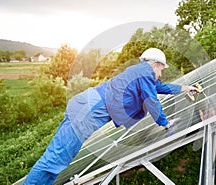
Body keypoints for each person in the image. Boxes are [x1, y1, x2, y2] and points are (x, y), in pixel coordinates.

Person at [23, 48, 199, 184]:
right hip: (87, 112)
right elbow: (151, 100)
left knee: (58, 160)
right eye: (161, 70)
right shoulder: (145, 72)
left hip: (85, 108)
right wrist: (165, 123)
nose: (160, 74)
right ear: (156, 65)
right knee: (54, 159)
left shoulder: (140, 72)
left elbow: (160, 88)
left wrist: (185, 88)